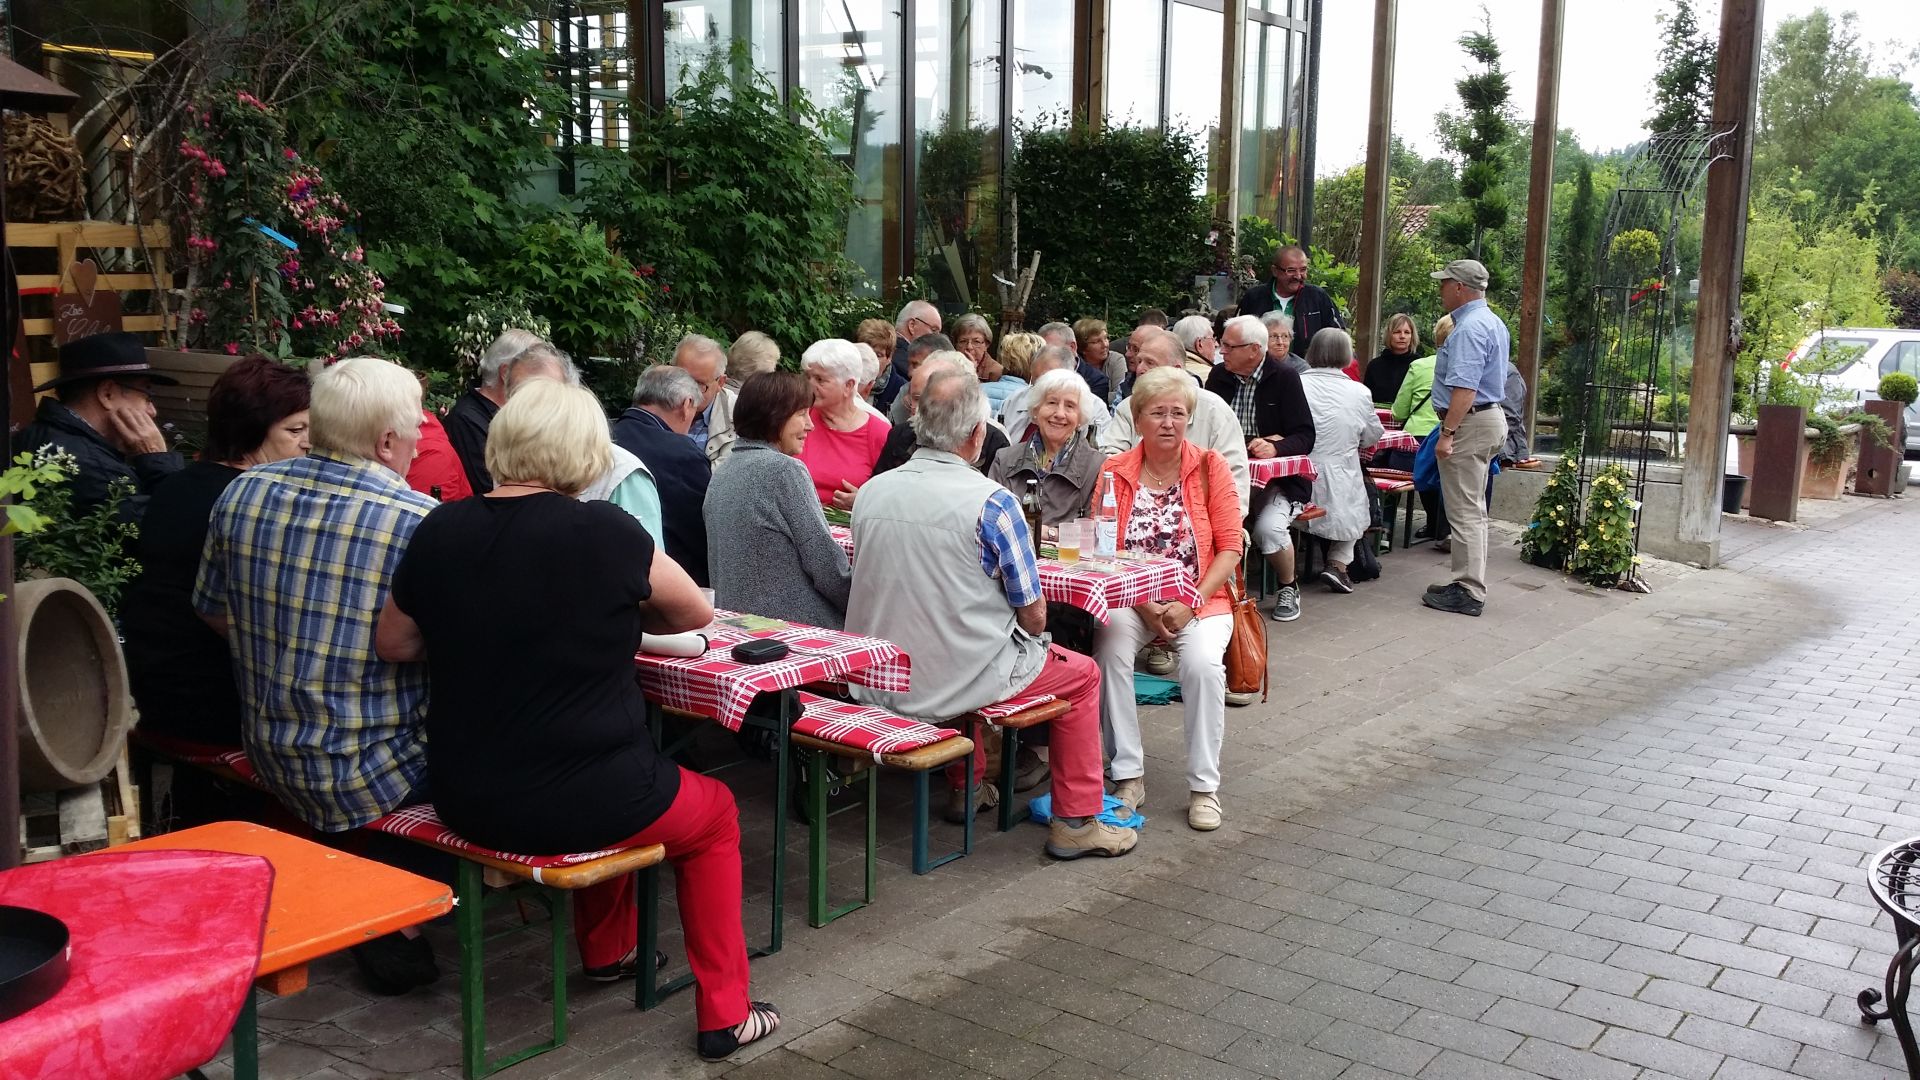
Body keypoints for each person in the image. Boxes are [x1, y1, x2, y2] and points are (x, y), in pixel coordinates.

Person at [376, 379, 779, 1061]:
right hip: (593, 795)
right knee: (712, 814)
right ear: (585, 451)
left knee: (625, 785)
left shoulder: (440, 527)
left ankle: (611, 951)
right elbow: (694, 613)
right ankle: (726, 1013)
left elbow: (395, 643)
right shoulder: (605, 532)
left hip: (466, 794)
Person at [845, 368, 1136, 859]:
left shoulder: (872, 491)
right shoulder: (994, 503)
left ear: (918, 423)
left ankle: (969, 786)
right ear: (977, 433)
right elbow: (1034, 617)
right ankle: (1076, 820)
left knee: (962, 640)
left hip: (881, 671)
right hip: (953, 673)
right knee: (1083, 673)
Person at [124, 356, 310, 750]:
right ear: (248, 430)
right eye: (295, 430)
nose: (308, 443)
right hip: (213, 702)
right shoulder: (253, 502)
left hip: (153, 684)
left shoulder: (178, 484)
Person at [1092, 366, 1245, 831]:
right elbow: (1104, 548)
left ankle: (1204, 787)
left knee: (1202, 666)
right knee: (1109, 648)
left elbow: (1230, 547)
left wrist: (1190, 601)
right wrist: (1143, 603)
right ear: (1138, 418)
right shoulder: (1114, 470)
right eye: (1158, 413)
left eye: (1178, 413)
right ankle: (1127, 774)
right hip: (1133, 596)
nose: (1168, 422)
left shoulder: (1210, 467)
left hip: (1201, 598)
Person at [705, 372, 852, 628]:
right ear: (774, 416)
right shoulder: (784, 470)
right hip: (792, 629)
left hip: (737, 624)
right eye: (801, 414)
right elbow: (824, 562)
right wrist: (861, 603)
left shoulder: (723, 471)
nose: (810, 425)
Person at [1205, 314, 1315, 623]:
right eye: (1222, 344)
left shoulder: (1285, 377)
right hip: (1224, 474)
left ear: (1254, 350)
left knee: (1268, 529)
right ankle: (1215, 591)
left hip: (1278, 480)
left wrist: (1277, 447)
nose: (1222, 351)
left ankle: (1288, 586)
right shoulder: (1219, 376)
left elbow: (1305, 436)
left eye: (1229, 346)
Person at [19, 331, 184, 524]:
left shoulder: (35, 436)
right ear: (107, 394)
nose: (152, 411)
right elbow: (176, 527)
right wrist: (158, 461)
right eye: (147, 396)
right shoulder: (95, 469)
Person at [1423, 259, 1508, 617]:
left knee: (1465, 511)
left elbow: (1465, 389)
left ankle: (1469, 590)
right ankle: (1466, 582)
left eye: (1444, 283)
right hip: (1485, 420)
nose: (1440, 288)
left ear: (1459, 287)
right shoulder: (1491, 321)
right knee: (1472, 508)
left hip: (1469, 423)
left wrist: (1447, 433)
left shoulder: (1469, 328)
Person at [1099, 327, 1250, 512]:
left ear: (1177, 370)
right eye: (1139, 361)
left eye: (1150, 363)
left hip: (1203, 517)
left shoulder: (1215, 411)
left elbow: (1235, 483)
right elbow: (1110, 464)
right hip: (1135, 513)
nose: (1140, 369)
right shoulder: (1128, 408)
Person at [1299, 329, 1386, 593]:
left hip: (1297, 470)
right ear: (1348, 355)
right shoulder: (1359, 392)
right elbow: (1372, 435)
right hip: (1341, 475)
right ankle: (1337, 564)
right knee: (1359, 508)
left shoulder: (1296, 383)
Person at [611, 366, 714, 586]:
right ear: (686, 405)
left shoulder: (604, 438)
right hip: (670, 581)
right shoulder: (683, 454)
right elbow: (705, 532)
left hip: (610, 572)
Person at [989, 369, 1106, 527]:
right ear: (1036, 410)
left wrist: (1050, 534)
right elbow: (991, 520)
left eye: (1070, 406)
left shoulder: (1098, 466)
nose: (1060, 414)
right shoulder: (1004, 459)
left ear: (1080, 418)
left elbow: (1095, 530)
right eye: (1052, 403)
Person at [873, 351, 1009, 476]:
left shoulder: (993, 441)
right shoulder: (900, 436)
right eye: (916, 398)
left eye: (933, 402)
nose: (919, 409)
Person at [444, 328, 540, 495]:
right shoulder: (466, 420)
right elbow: (490, 487)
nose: (542, 384)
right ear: (506, 373)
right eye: (536, 373)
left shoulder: (516, 413)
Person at [798, 338, 891, 508]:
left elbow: (892, 496)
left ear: (848, 386)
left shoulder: (878, 432)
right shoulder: (796, 417)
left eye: (820, 379)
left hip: (847, 522)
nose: (809, 385)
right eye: (807, 376)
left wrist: (864, 501)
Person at [1238, 244, 1346, 359]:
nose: (1298, 276)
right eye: (1291, 270)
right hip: (1261, 367)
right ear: (1275, 271)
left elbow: (1338, 336)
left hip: (1308, 367)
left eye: (1303, 270)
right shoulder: (1254, 297)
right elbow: (1237, 335)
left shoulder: (1318, 298)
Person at [1000, 343, 1110, 442]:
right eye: (1035, 381)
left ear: (1070, 376)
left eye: (1047, 382)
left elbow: (1101, 450)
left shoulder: (1095, 407)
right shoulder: (1015, 399)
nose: (1039, 388)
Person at [674, 334, 734, 463]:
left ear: (720, 383)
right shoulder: (654, 402)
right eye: (681, 379)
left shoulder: (737, 417)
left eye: (699, 384)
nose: (687, 391)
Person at [875, 300, 943, 412]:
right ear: (912, 325)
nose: (937, 338)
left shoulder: (894, 355)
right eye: (934, 330)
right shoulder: (901, 360)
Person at [885, 332, 956, 426]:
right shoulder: (906, 390)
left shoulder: (962, 398)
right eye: (909, 364)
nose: (910, 373)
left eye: (915, 365)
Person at [1365, 314, 1422, 407]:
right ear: (1389, 335)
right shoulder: (1374, 366)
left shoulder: (1419, 365)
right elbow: (1366, 400)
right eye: (1397, 332)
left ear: (1412, 336)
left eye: (1407, 332)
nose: (1402, 336)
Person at [1172, 315, 1218, 382]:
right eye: (1212, 339)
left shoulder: (1165, 369)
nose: (1216, 344)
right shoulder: (1213, 377)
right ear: (1199, 344)